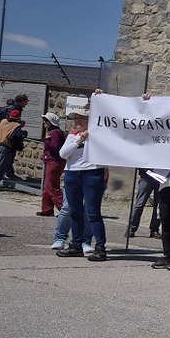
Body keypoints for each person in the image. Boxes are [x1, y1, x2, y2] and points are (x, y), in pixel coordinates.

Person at [57, 103, 108, 263]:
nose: (77, 120)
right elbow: (63, 154)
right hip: (72, 174)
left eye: (80, 118)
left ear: (89, 119)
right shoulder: (73, 135)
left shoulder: (99, 134)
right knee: (75, 211)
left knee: (93, 212)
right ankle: (76, 245)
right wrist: (80, 139)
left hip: (92, 174)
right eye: (75, 118)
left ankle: (100, 248)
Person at [0, 107, 28, 192]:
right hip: (5, 147)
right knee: (1, 167)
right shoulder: (16, 126)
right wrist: (24, 133)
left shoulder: (3, 121)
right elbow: (17, 136)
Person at [37, 112, 66, 216]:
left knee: (51, 187)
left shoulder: (55, 133)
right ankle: (47, 208)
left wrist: (46, 141)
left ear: (51, 122)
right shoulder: (53, 132)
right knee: (47, 187)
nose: (44, 122)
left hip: (54, 162)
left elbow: (55, 146)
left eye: (46, 120)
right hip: (52, 161)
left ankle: (63, 209)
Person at [128, 168, 161, 239]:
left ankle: (154, 230)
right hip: (146, 176)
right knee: (139, 204)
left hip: (160, 177)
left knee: (158, 206)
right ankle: (131, 228)